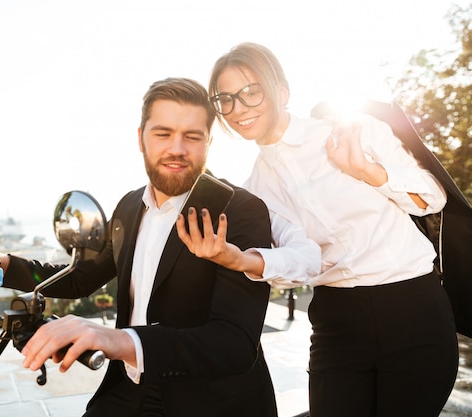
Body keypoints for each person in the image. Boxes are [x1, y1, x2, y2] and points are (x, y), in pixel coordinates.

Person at [0, 77, 286, 417]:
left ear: (209, 142)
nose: (177, 148)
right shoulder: (129, 206)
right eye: (163, 133)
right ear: (141, 139)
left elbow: (234, 343)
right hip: (126, 390)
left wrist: (118, 340)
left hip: (209, 400)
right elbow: (80, 277)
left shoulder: (240, 210)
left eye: (192, 137)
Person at [176, 42, 459, 417]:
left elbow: (433, 198)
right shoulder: (255, 190)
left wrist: (367, 171)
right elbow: (302, 261)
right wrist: (238, 258)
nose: (238, 108)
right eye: (225, 99)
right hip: (337, 322)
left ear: (282, 92)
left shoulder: (352, 131)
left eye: (250, 91)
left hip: (413, 309)